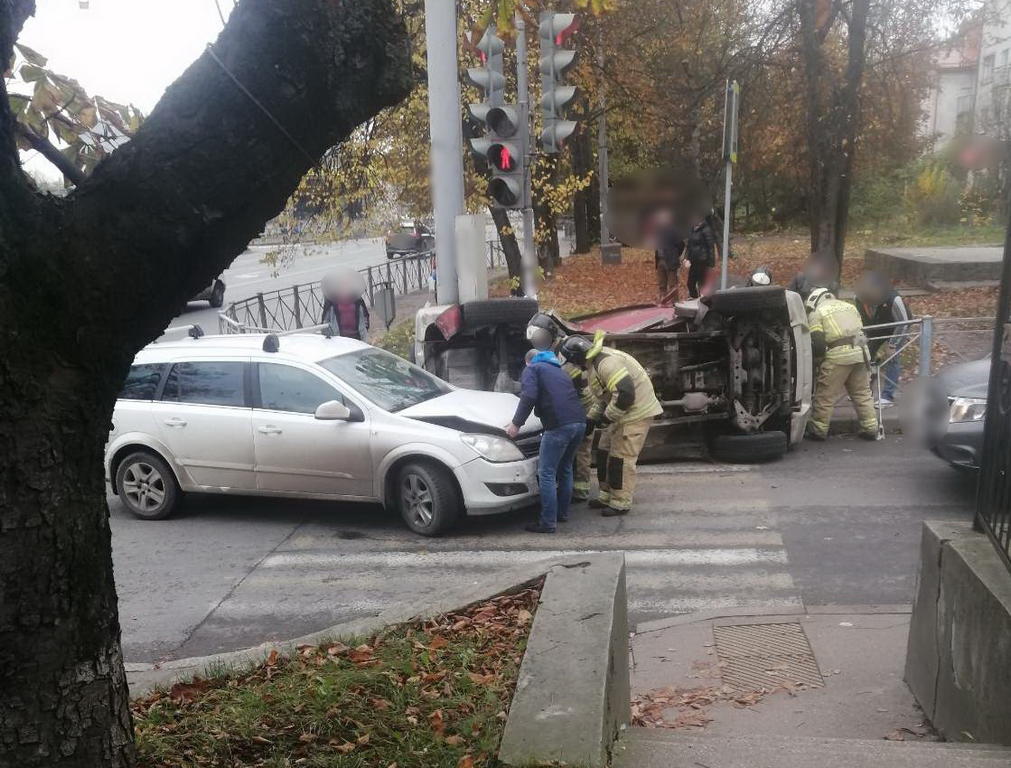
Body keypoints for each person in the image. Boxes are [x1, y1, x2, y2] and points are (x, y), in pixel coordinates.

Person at [560, 334, 663, 516]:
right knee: (604, 451)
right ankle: (606, 495)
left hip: (635, 414)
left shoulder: (606, 364)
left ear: (576, 358)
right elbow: (605, 396)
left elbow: (625, 395)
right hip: (623, 413)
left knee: (620, 459)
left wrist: (606, 418)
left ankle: (620, 503)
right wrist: (591, 419)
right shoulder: (595, 364)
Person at [506, 347, 587, 534]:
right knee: (565, 468)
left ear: (528, 361)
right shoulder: (559, 370)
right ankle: (562, 514)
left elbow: (528, 396)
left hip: (559, 425)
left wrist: (516, 424)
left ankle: (548, 522)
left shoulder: (532, 369)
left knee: (547, 473)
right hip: (579, 423)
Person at [526, 314, 595, 502]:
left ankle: (580, 490)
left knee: (581, 449)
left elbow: (571, 379)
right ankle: (570, 486)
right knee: (571, 451)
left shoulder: (566, 350)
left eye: (539, 337)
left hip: (582, 404)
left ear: (549, 334)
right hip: (573, 404)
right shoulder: (554, 352)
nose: (537, 341)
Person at [805, 287, 879, 441]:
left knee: (825, 395)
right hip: (861, 353)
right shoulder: (849, 306)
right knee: (862, 393)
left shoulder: (817, 312)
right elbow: (862, 331)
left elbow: (818, 342)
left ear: (814, 300)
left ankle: (818, 430)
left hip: (838, 356)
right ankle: (871, 428)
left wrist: (818, 361)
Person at [855, 271, 910, 407]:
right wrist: (861, 339)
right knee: (865, 355)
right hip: (876, 326)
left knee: (892, 358)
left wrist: (892, 345)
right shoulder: (859, 298)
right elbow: (861, 320)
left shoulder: (893, 299)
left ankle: (887, 396)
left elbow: (903, 323)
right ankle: (865, 391)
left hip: (896, 326)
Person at [321, 272, 370, 340]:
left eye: (347, 283)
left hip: (358, 337)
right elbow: (325, 321)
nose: (345, 286)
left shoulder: (357, 299)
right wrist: (329, 336)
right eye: (342, 284)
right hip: (339, 338)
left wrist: (364, 330)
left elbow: (365, 316)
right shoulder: (332, 300)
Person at [653, 211, 685, 304]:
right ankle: (663, 301)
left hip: (671, 260)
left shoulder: (673, 231)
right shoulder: (658, 231)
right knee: (662, 284)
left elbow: (681, 245)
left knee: (672, 284)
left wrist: (675, 255)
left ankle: (675, 302)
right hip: (660, 260)